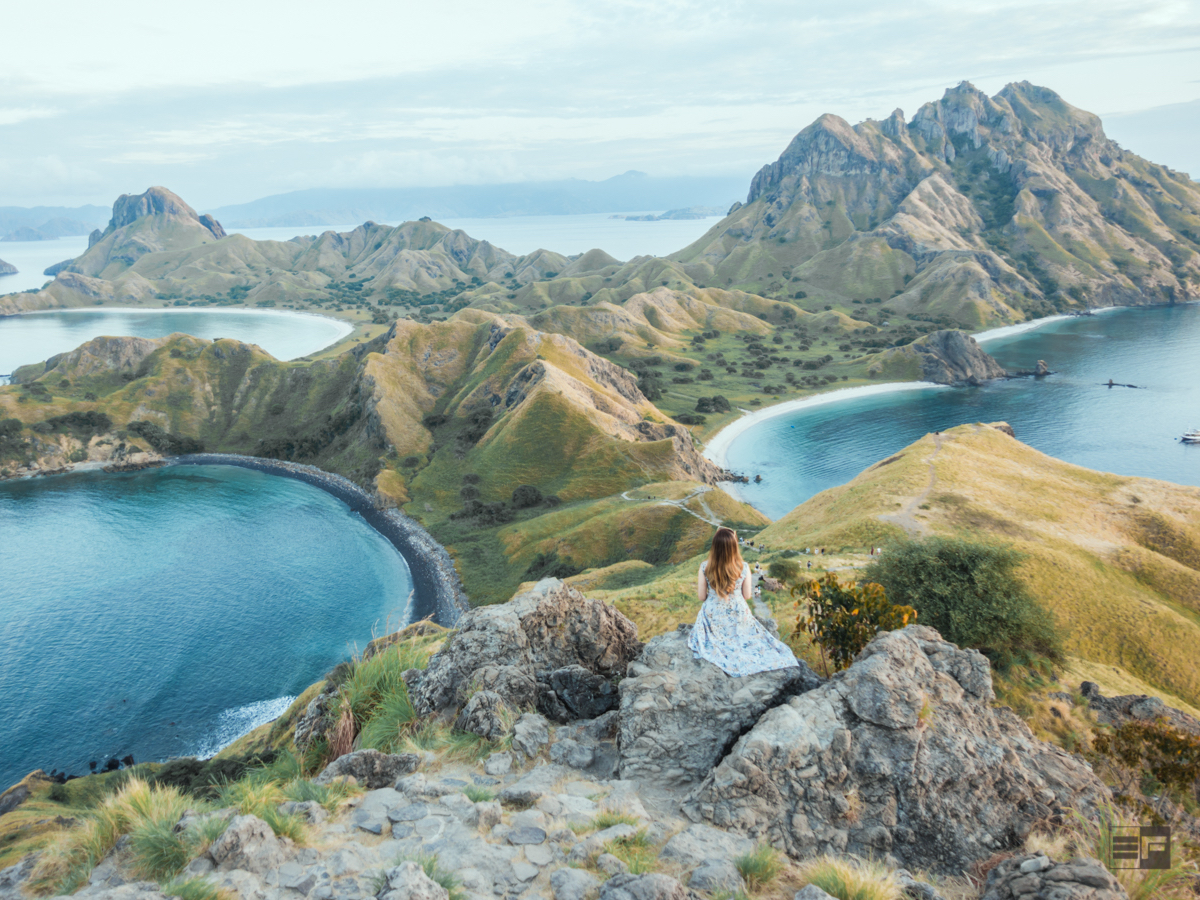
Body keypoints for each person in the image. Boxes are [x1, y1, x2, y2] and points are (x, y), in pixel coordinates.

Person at [689, 527, 799, 677]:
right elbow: (747, 595)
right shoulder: (744, 567)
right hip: (738, 613)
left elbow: (702, 597)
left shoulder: (704, 566)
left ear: (714, 546)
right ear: (734, 547)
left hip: (712, 614)